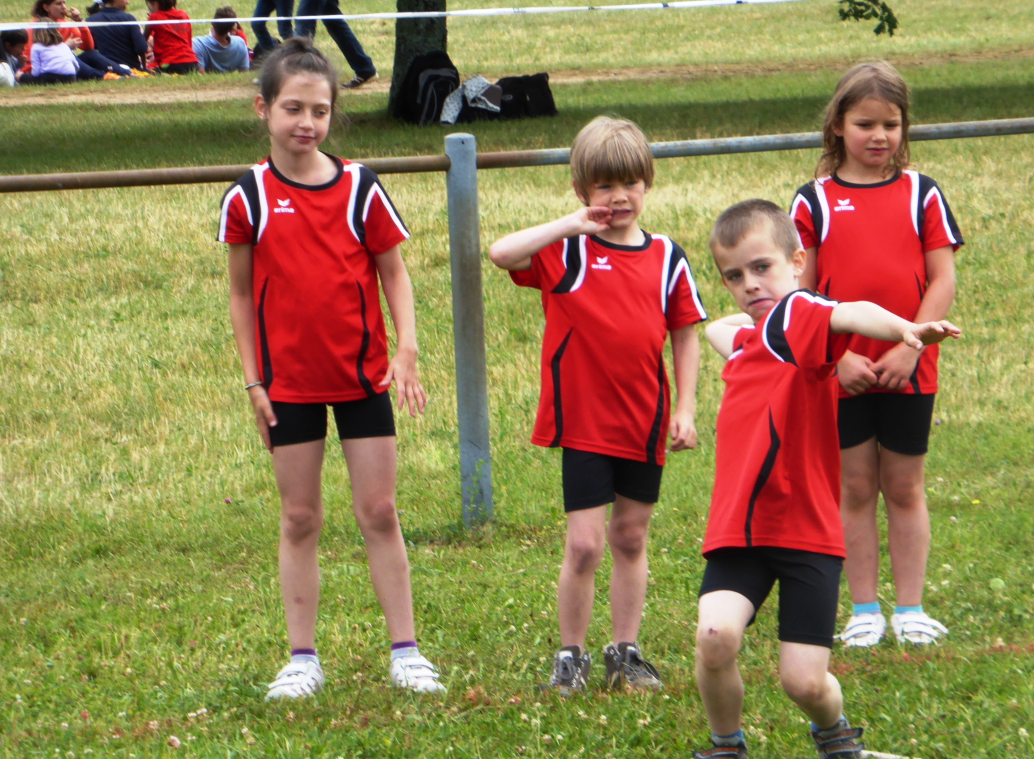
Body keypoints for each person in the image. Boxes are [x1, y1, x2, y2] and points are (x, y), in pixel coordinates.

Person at [218, 37, 446, 701]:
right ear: (263, 109)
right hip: (287, 386)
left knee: (379, 510)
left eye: (319, 111)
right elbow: (240, 295)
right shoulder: (249, 197)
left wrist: (406, 349)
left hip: (362, 379)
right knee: (299, 517)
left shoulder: (359, 188)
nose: (307, 123)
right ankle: (301, 659)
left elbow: (394, 273)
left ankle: (406, 652)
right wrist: (254, 381)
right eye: (293, 108)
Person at [695, 199, 960, 759]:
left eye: (762, 267)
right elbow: (720, 329)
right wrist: (754, 324)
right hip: (741, 531)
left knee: (805, 684)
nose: (750, 284)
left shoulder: (799, 313)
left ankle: (837, 739)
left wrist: (906, 330)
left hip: (805, 534)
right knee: (715, 637)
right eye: (734, 276)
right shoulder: (754, 340)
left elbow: (850, 312)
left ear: (797, 263)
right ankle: (726, 747)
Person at [487, 116, 705, 696]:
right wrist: (570, 223)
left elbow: (685, 333)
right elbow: (501, 253)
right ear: (583, 191)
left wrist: (685, 409)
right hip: (584, 423)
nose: (620, 196)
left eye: (630, 182)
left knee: (630, 537)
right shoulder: (567, 252)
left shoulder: (667, 256)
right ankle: (571, 656)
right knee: (584, 544)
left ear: (648, 183)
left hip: (644, 420)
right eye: (605, 186)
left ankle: (625, 652)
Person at [791, 62, 963, 650]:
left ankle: (910, 608)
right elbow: (801, 294)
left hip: (910, 368)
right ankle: (864, 609)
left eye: (891, 124)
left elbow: (942, 278)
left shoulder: (922, 193)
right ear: (838, 126)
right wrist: (835, 357)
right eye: (865, 124)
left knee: (906, 486)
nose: (879, 136)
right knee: (857, 487)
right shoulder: (813, 201)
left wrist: (912, 346)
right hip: (843, 373)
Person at [22, 0, 127, 78]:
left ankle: (127, 73)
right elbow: (36, 55)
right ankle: (103, 77)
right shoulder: (37, 26)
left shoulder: (64, 23)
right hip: (45, 70)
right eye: (58, 4)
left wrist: (79, 22)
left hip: (63, 65)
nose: (64, 7)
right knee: (71, 56)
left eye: (64, 2)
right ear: (46, 7)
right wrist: (65, 47)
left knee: (91, 54)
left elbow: (88, 47)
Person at [86, 0, 149, 74]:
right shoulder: (129, 18)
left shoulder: (91, 20)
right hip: (132, 69)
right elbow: (141, 48)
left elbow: (91, 49)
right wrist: (144, 66)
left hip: (106, 70)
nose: (127, 2)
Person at [143, 0, 201, 75]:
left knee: (145, 73)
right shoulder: (184, 15)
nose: (150, 8)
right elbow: (188, 40)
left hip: (170, 64)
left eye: (152, 5)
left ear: (157, 3)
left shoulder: (155, 17)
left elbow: (143, 40)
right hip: (192, 62)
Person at [29, 18, 95, 81]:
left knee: (24, 77)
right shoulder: (63, 45)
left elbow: (36, 72)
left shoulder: (36, 47)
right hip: (71, 77)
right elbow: (75, 64)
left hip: (50, 77)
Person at [195, 6, 252, 73]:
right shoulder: (240, 43)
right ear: (232, 29)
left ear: (212, 23)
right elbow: (244, 72)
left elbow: (201, 74)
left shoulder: (198, 43)